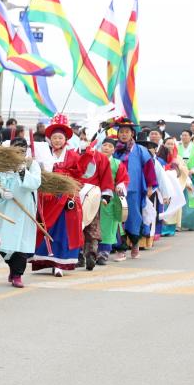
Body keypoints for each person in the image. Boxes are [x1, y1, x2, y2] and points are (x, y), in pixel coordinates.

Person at [31, 114, 92, 276]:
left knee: (64, 230)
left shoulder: (72, 155)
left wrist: (87, 154)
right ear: (50, 139)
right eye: (54, 137)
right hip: (48, 197)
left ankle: (60, 263)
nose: (57, 140)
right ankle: (46, 259)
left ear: (66, 140)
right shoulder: (44, 153)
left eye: (60, 137)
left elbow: (79, 172)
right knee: (47, 228)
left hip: (67, 198)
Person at [0, 137, 42, 286]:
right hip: (4, 208)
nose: (19, 153)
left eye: (22, 150)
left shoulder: (32, 164)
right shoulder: (1, 164)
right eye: (16, 149)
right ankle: (13, 268)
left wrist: (22, 171)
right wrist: (0, 192)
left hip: (23, 209)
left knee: (21, 241)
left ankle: (17, 274)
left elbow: (35, 183)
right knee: (1, 242)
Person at [112, 118, 159, 258]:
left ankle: (135, 243)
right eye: (121, 132)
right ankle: (120, 248)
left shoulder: (141, 150)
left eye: (127, 132)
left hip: (134, 190)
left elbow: (149, 169)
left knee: (134, 217)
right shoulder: (114, 149)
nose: (124, 134)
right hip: (117, 190)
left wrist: (150, 186)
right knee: (118, 218)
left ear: (132, 134)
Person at [78, 137, 115, 270]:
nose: (84, 142)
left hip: (92, 196)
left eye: (86, 139)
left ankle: (91, 254)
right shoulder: (72, 154)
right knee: (75, 226)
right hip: (75, 195)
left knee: (92, 225)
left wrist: (106, 195)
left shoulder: (100, 158)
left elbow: (106, 177)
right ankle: (78, 255)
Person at [97, 138, 129, 264]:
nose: (106, 148)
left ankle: (104, 252)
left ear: (114, 149)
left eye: (110, 146)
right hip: (94, 195)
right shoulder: (94, 161)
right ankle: (90, 251)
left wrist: (120, 186)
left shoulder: (117, 163)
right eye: (104, 145)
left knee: (109, 225)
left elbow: (124, 179)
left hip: (111, 199)